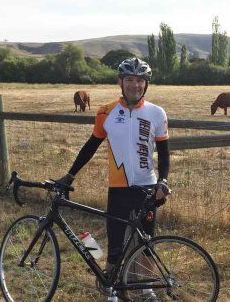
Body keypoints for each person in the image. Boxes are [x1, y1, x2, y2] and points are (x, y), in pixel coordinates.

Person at [58, 57, 170, 298]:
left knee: (147, 243)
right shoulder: (105, 112)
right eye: (130, 80)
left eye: (140, 81)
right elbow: (90, 146)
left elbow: (164, 153)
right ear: (120, 81)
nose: (135, 85)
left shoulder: (157, 113)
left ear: (146, 84)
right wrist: (70, 175)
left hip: (147, 187)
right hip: (118, 188)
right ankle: (111, 290)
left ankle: (146, 289)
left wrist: (164, 181)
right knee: (115, 245)